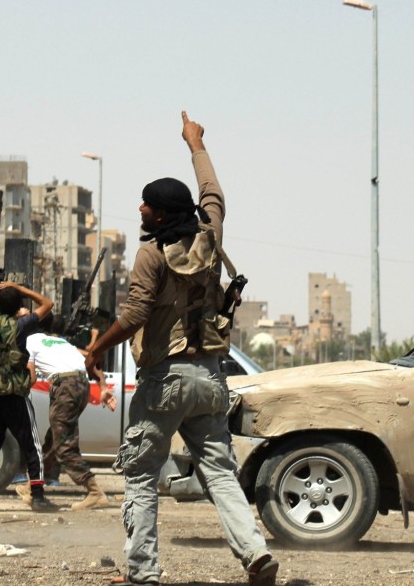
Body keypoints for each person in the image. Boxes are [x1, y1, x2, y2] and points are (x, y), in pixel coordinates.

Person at [84, 112, 278, 586]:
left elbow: (135, 314)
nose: (140, 208)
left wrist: (95, 348)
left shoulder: (151, 254)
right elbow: (213, 195)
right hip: (210, 375)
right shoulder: (210, 235)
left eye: (147, 205)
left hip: (165, 380)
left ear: (162, 215)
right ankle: (255, 554)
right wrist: (195, 145)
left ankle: (142, 573)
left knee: (142, 476)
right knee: (220, 471)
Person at [27, 312, 116, 510]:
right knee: (55, 438)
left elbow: (31, 376)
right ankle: (33, 486)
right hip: (81, 384)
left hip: (65, 387)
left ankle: (94, 491)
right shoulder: (63, 344)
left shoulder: (31, 340)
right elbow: (91, 363)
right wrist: (102, 386)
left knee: (64, 445)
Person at [0, 280, 54, 511]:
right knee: (31, 445)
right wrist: (19, 288)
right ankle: (38, 495)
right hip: (15, 394)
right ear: (19, 306)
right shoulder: (21, 325)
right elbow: (47, 303)